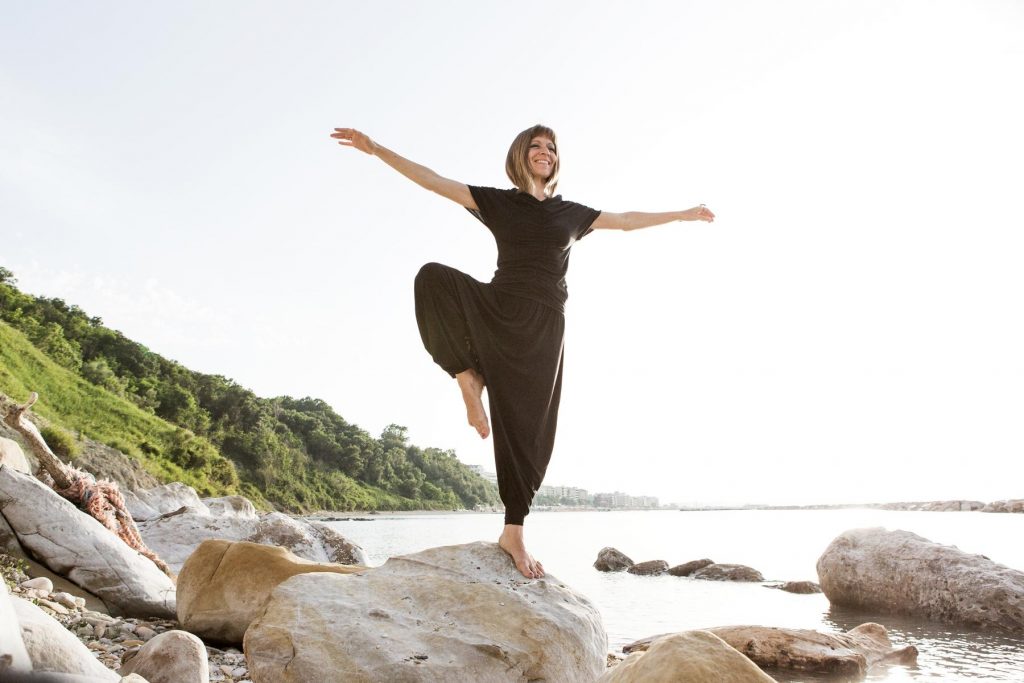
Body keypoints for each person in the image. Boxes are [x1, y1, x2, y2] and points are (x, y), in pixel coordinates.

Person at [331, 124, 714, 579]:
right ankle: (467, 377)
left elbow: (628, 220)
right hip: (500, 306)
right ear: (520, 155)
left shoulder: (571, 213)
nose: (545, 152)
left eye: (551, 148)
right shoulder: (498, 202)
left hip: (544, 325)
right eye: (536, 145)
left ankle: (514, 531)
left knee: (529, 427)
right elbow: (432, 180)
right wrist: (375, 149)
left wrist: (684, 214)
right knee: (432, 279)